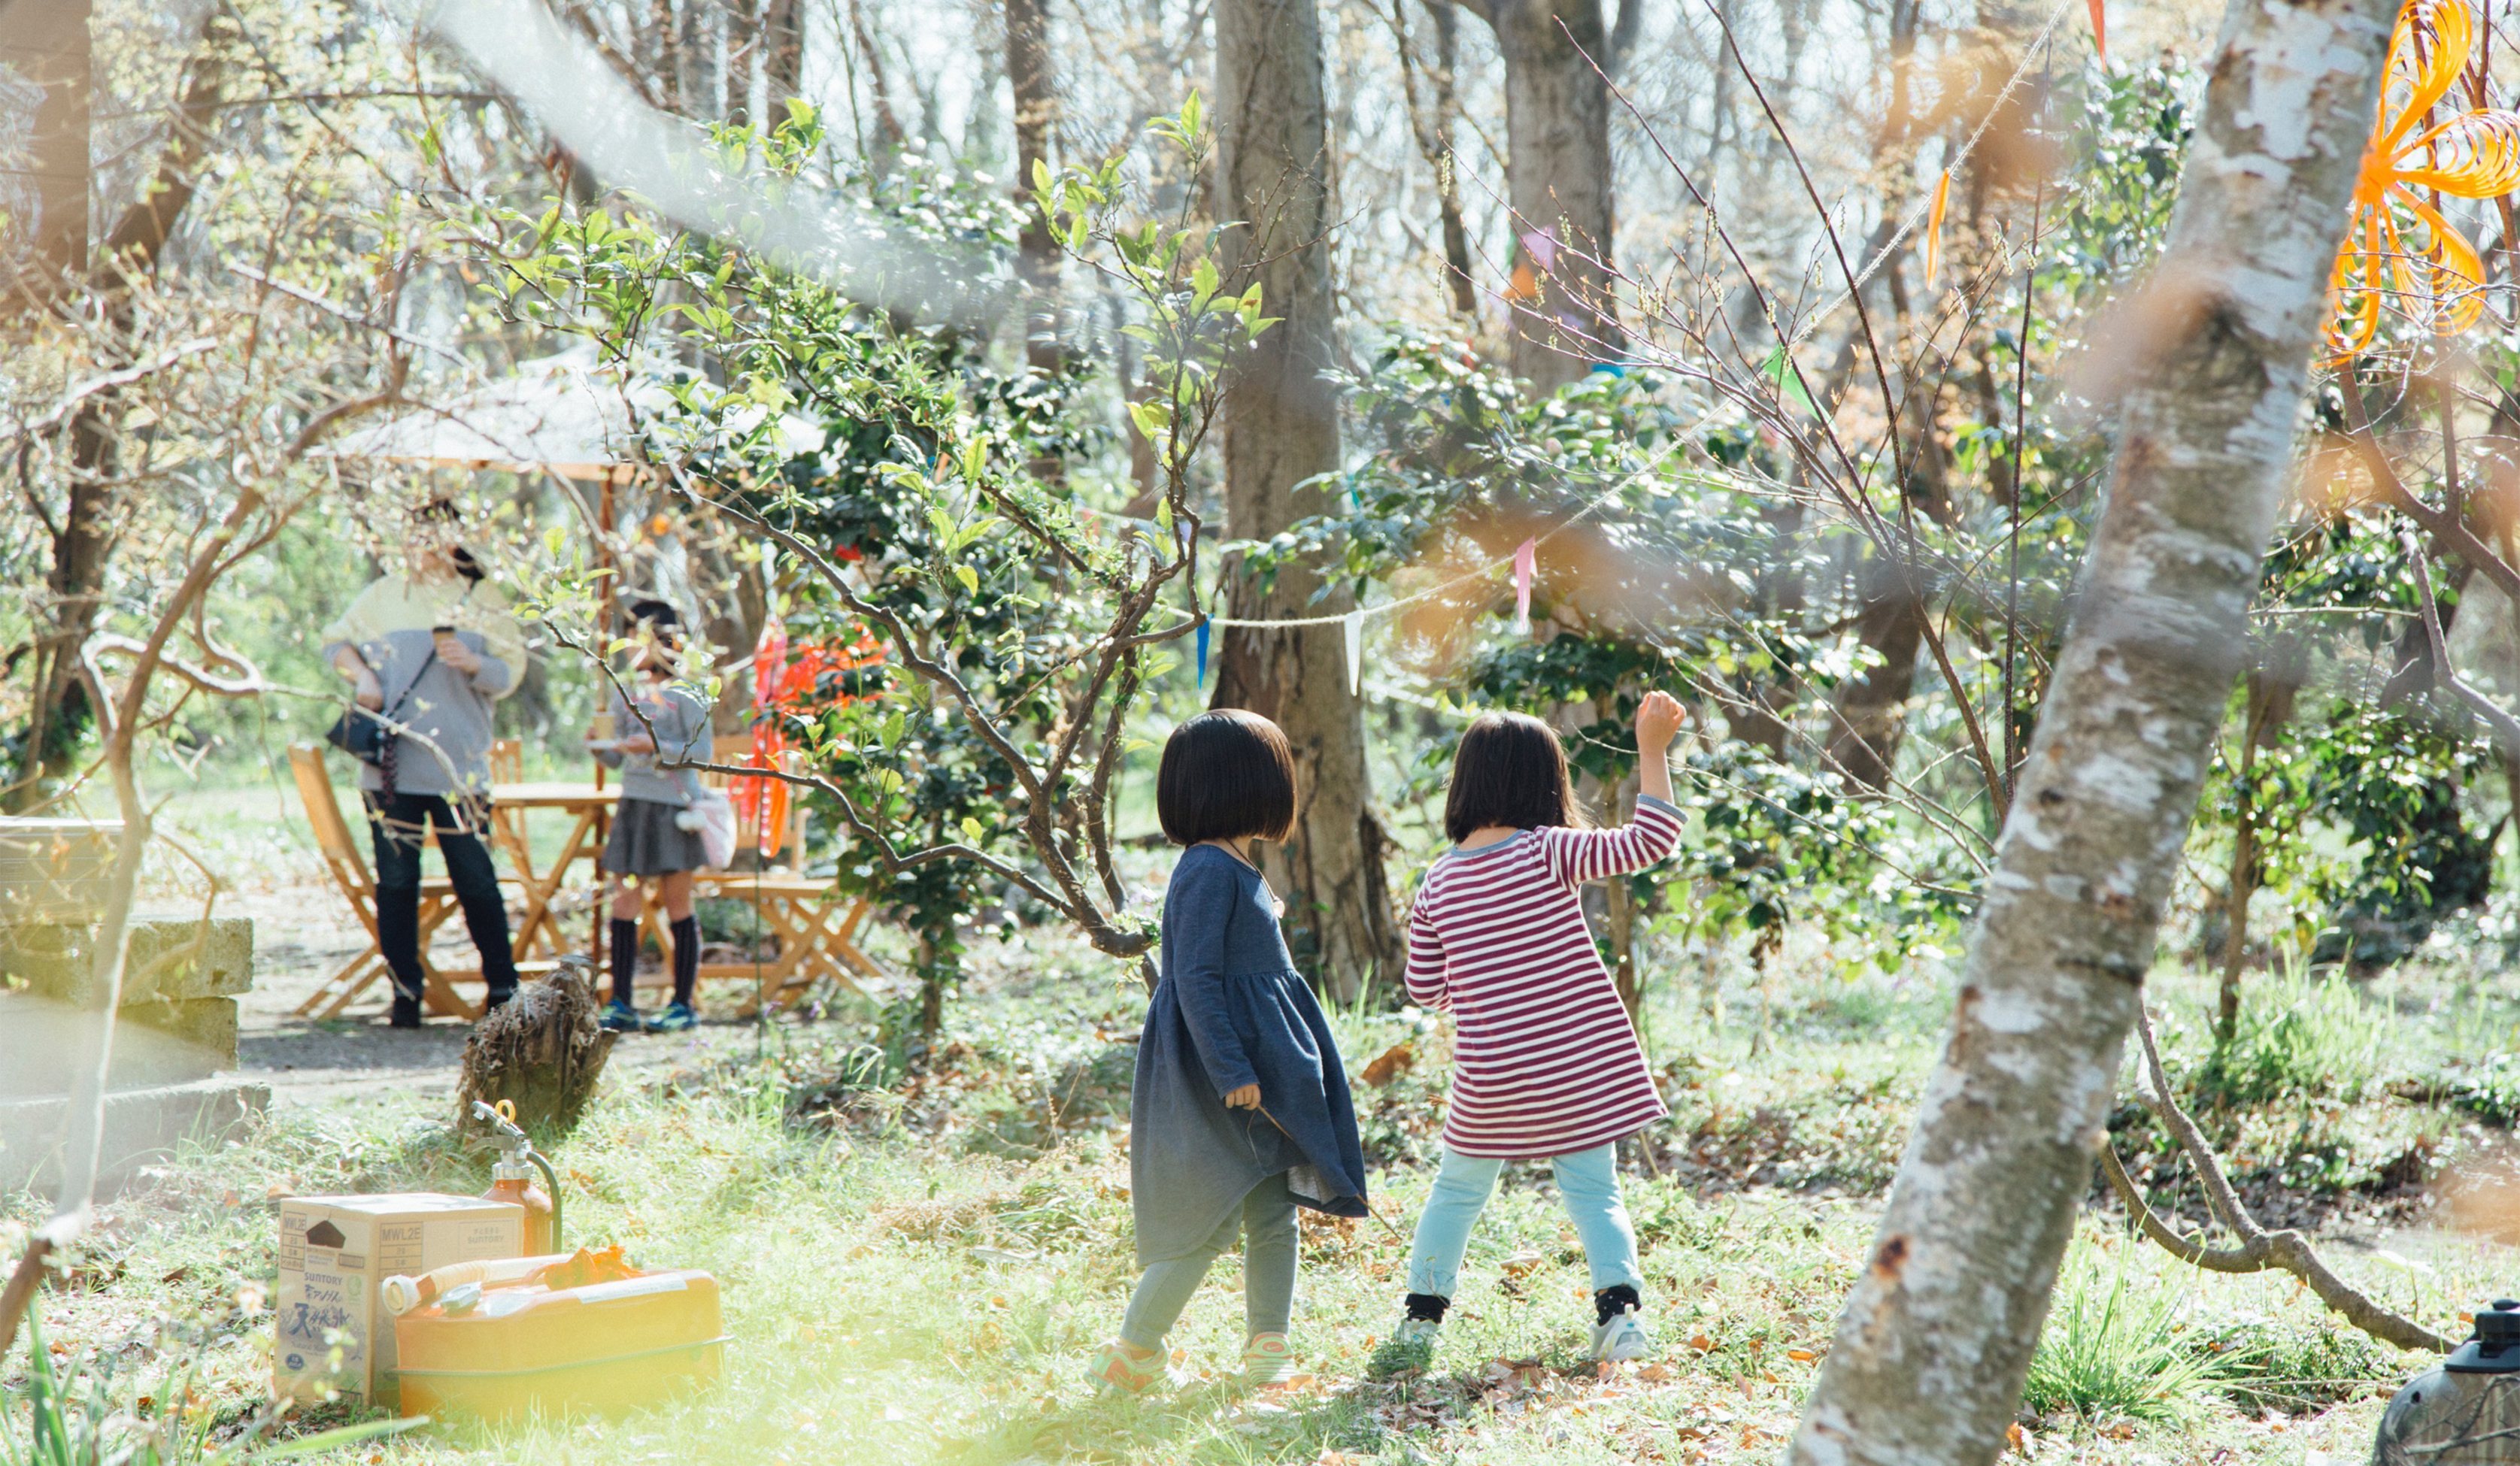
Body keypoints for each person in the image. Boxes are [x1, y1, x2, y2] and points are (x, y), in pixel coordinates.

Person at [1378, 693, 1688, 1373]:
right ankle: (1620, 1319)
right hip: (1576, 1068)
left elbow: (1424, 991)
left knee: (1456, 1193)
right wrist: (1653, 750)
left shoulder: (1438, 881)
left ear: (1465, 784)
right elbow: (1650, 841)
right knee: (1594, 1192)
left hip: (1490, 1078)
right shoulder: (1548, 851)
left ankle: (1418, 1326)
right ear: (1543, 783)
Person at [1086, 710, 1370, 1394]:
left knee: (1273, 1209)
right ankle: (1132, 1351)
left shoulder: (1235, 864)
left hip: (1261, 1071)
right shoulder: (1208, 870)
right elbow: (1195, 982)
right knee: (1209, 1217)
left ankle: (1267, 1347)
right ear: (1245, 785)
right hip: (1230, 1076)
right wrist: (1232, 1071)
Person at [322, 508, 528, 1029]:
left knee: (476, 879)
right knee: (396, 882)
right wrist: (363, 674)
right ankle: (404, 995)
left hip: (460, 768)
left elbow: (511, 674)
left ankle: (503, 992)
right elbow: (334, 641)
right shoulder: (385, 593)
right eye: (414, 536)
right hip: (390, 767)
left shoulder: (483, 598)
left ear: (456, 539)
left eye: (432, 537)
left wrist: (476, 663)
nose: (422, 546)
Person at [588, 598, 714, 1034]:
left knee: (679, 903)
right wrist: (602, 746)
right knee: (624, 903)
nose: (628, 649)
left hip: (675, 809)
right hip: (634, 807)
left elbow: (703, 756)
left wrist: (656, 746)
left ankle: (683, 1004)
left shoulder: (688, 693)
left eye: (635, 638)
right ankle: (620, 1000)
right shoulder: (629, 692)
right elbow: (618, 760)